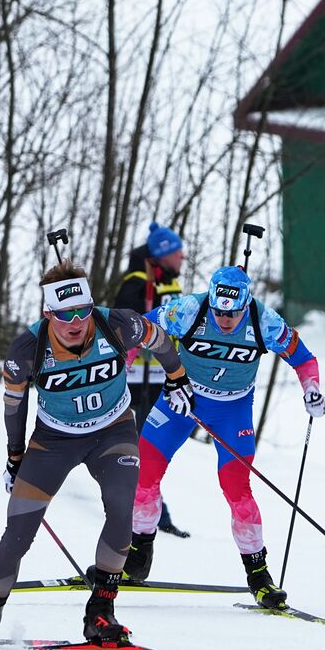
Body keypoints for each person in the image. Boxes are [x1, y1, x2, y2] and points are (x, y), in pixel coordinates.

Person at [0, 258, 185, 647]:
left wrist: (177, 378)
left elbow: (161, 341)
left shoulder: (117, 323)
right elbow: (14, 407)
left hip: (113, 432)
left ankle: (100, 612)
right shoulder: (27, 348)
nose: (75, 322)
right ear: (48, 311)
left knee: (122, 512)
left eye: (82, 310)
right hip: (54, 441)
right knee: (18, 531)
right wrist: (15, 458)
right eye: (64, 314)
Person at [123, 264, 325, 608]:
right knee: (144, 476)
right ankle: (138, 553)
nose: (224, 319)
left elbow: (303, 358)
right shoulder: (188, 309)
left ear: (246, 303)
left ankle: (259, 576)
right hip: (180, 399)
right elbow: (139, 329)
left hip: (232, 410)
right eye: (218, 311)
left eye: (232, 313)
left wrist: (312, 389)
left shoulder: (265, 321)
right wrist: (121, 370)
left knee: (237, 489)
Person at [113, 222, 189, 537]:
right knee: (143, 445)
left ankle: (151, 511)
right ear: (161, 254)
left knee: (154, 445)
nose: (182, 258)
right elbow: (123, 329)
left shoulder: (166, 281)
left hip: (163, 377)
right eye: (176, 252)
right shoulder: (137, 284)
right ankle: (150, 514)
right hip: (138, 379)